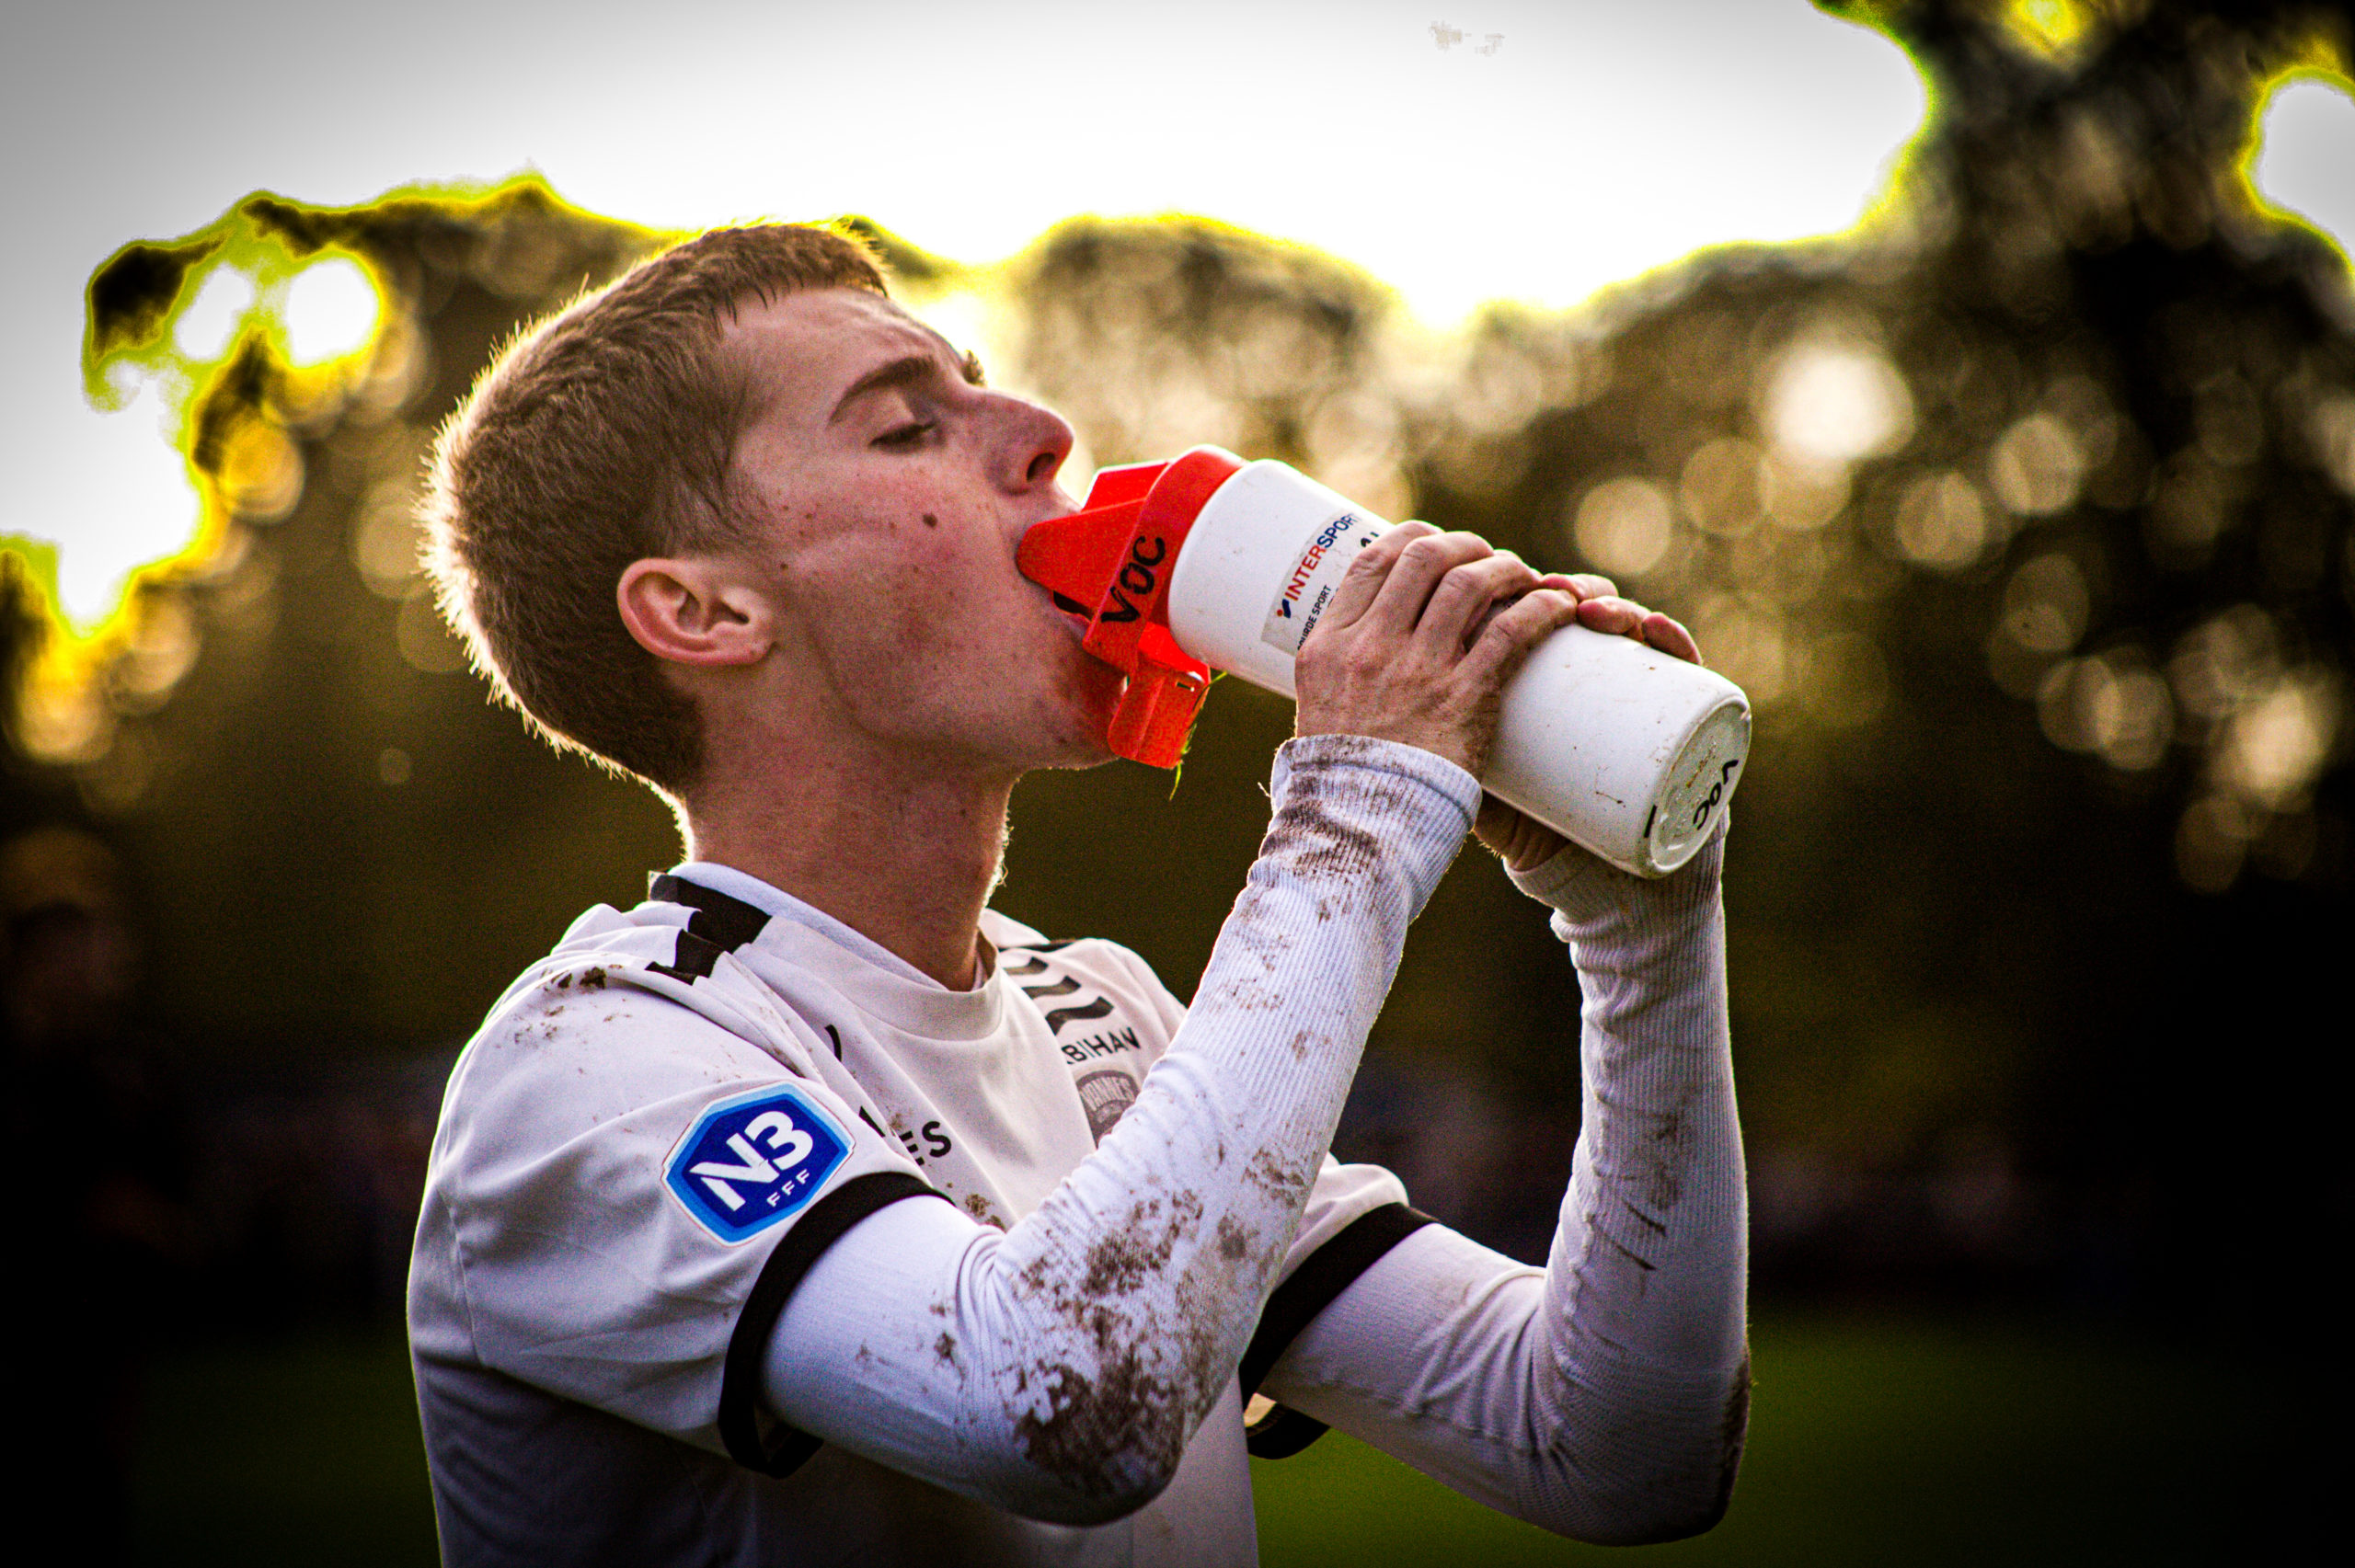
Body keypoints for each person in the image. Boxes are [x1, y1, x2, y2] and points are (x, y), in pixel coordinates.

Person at [409, 223, 1748, 1566]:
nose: (1046, 431)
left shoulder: (1097, 1012)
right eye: (905, 428)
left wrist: (1642, 931)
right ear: (704, 613)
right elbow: (1066, 1409)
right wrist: (1359, 806)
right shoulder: (583, 1066)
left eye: (982, 381)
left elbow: (1617, 1446)